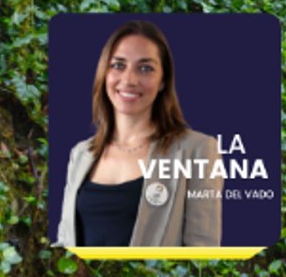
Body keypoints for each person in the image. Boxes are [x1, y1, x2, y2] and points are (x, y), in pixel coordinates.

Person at [56, 20, 223, 246]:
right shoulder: (81, 154)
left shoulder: (198, 149)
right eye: (118, 65)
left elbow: (204, 250)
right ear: (104, 73)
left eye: (145, 68)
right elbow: (65, 242)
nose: (129, 80)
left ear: (163, 80)